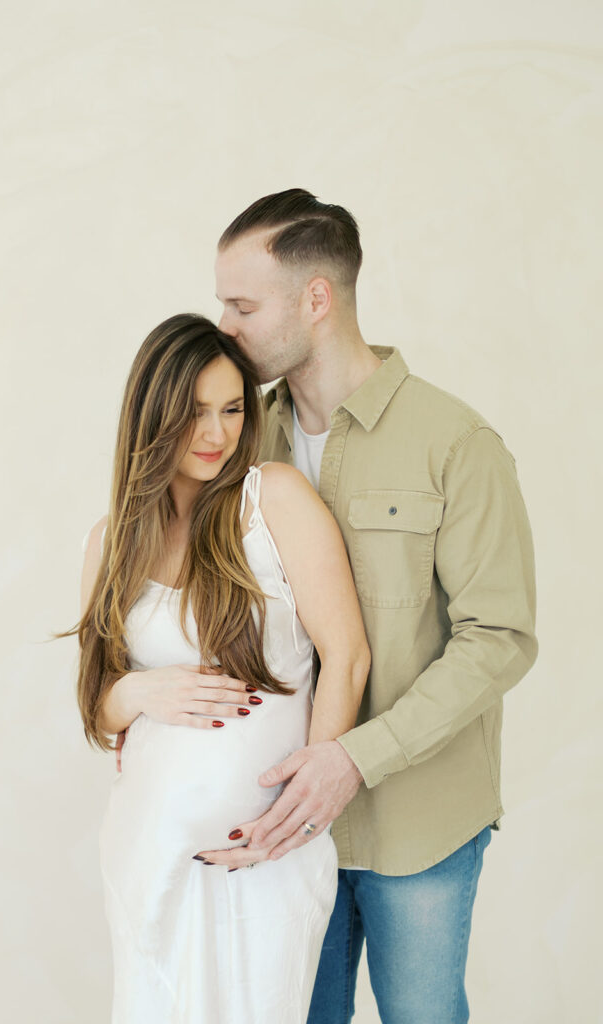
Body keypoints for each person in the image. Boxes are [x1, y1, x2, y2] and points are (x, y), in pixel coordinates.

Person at [197, 189, 539, 1024]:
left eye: (242, 306)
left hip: (419, 824)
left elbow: (500, 638)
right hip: (277, 819)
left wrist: (356, 757)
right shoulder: (236, 444)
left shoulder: (457, 444)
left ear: (317, 299)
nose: (225, 329)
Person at [68, 313, 371, 1023]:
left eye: (232, 409)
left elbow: (347, 655)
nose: (216, 434)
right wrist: (141, 688)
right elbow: (96, 706)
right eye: (194, 413)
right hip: (149, 849)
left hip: (264, 855)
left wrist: (300, 811)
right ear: (153, 415)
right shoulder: (110, 543)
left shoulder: (273, 501)